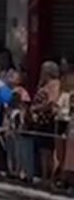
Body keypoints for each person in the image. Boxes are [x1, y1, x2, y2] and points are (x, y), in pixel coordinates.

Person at [30, 61, 61, 190]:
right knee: (43, 151)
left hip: (48, 120)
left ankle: (50, 178)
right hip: (40, 121)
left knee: (49, 151)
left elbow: (51, 102)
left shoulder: (54, 84)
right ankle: (44, 177)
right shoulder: (43, 84)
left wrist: (36, 108)